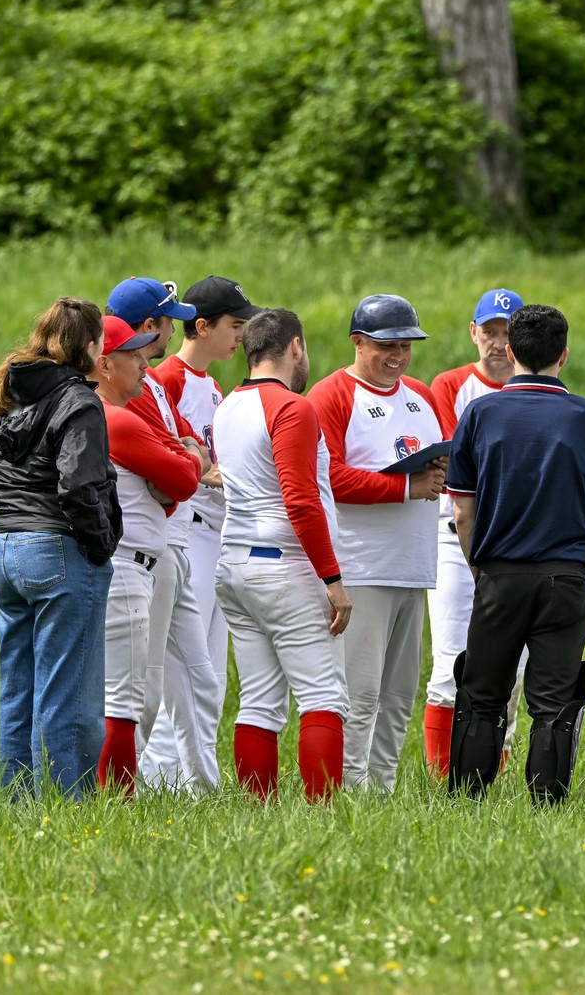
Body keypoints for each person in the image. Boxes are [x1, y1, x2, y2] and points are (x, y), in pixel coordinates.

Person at [443, 304, 585, 803]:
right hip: (566, 578)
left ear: (512, 350)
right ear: (564, 354)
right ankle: (547, 806)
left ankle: (468, 803)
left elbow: (462, 512)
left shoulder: (479, 414)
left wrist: (481, 571)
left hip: (499, 574)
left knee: (481, 697)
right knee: (554, 703)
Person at [0, 298, 120, 799]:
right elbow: (78, 487)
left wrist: (13, 526)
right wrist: (98, 546)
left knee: (20, 688)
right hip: (60, 551)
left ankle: (18, 804)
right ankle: (65, 807)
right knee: (68, 692)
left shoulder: (8, 395)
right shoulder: (78, 400)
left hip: (8, 552)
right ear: (90, 346)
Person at [214, 308, 353, 803]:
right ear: (295, 347)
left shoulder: (226, 406)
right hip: (285, 562)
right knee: (323, 695)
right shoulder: (291, 407)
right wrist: (332, 579)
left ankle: (259, 810)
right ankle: (322, 813)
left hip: (233, 561)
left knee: (259, 699)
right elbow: (300, 498)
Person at [309, 295, 447, 791]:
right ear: (358, 342)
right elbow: (327, 477)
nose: (399, 355)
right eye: (387, 345)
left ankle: (382, 786)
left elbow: (435, 462)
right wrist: (405, 487)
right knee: (360, 692)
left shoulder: (421, 395)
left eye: (407, 345)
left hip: (414, 564)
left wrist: (441, 471)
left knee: (399, 693)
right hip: (362, 566)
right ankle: (349, 786)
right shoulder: (332, 395)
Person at [138, 275, 263, 793]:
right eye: (235, 325)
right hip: (184, 529)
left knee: (206, 666)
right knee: (181, 670)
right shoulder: (165, 377)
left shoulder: (211, 386)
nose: (241, 336)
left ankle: (186, 778)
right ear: (201, 325)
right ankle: (157, 775)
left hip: (215, 528)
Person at [92, 316, 204, 794]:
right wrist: (186, 459)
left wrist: (181, 463)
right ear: (103, 365)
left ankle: (114, 796)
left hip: (137, 564)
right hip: (126, 566)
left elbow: (177, 477)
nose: (144, 364)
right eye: (133, 357)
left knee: (139, 694)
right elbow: (184, 478)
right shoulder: (115, 417)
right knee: (126, 699)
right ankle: (115, 803)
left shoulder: (121, 412)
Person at [423, 288, 526, 775]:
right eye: (489, 332)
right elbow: (457, 458)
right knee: (450, 663)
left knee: (514, 670)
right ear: (473, 333)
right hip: (455, 531)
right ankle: (444, 776)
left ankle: (492, 768)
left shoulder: (537, 385)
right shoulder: (451, 385)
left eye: (507, 333)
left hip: (517, 535)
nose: (498, 343)